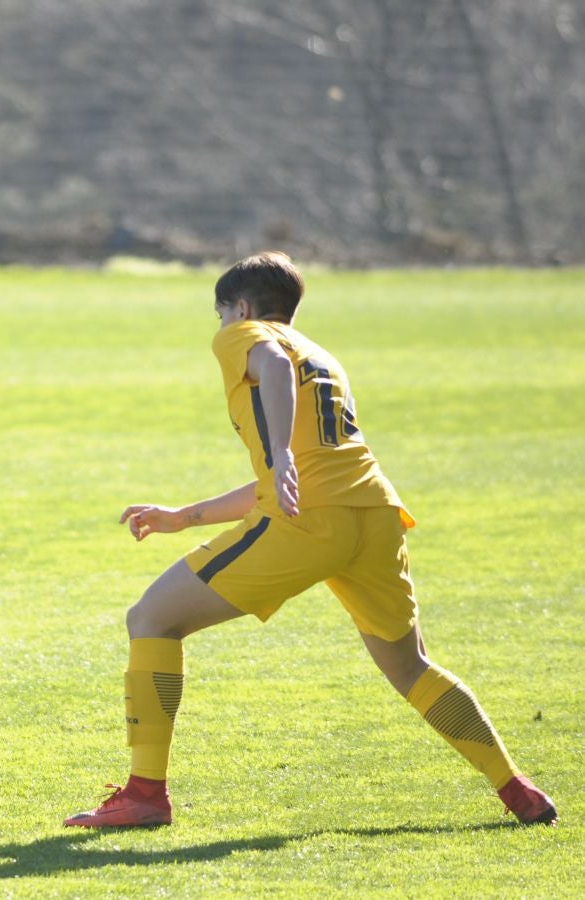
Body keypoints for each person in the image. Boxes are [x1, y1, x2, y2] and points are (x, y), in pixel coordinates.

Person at [63, 252, 557, 829]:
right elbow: (302, 472)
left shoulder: (248, 338)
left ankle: (146, 794)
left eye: (221, 315)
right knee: (411, 667)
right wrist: (187, 516)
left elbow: (274, 385)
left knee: (151, 618)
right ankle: (517, 788)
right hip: (375, 514)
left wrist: (280, 455)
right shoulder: (322, 358)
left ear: (240, 308)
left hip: (307, 523)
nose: (222, 327)